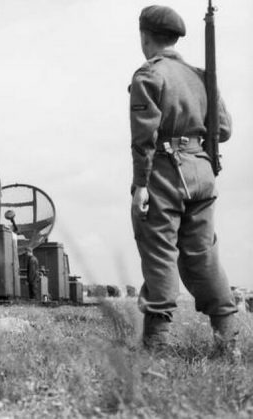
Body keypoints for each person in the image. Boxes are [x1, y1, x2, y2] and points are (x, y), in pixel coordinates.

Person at [129, 5, 237, 355]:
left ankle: (157, 346)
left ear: (145, 37)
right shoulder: (203, 76)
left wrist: (141, 185)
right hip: (202, 172)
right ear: (176, 38)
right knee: (203, 255)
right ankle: (229, 342)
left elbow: (144, 139)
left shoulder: (149, 75)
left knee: (159, 252)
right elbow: (223, 130)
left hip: (165, 172)